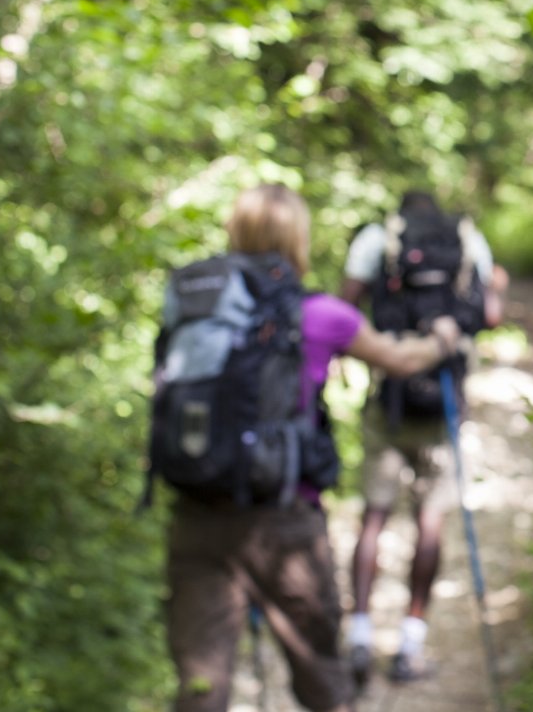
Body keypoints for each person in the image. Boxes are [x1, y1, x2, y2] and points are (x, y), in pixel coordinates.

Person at [164, 183, 460, 712]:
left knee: (202, 685)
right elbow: (403, 360)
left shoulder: (193, 306)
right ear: (298, 237)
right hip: (284, 521)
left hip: (197, 514)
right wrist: (443, 337)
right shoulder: (321, 315)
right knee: (324, 678)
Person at [340, 190, 507, 686]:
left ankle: (359, 636)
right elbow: (490, 316)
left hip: (387, 400)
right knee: (429, 522)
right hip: (447, 399)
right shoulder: (466, 236)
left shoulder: (376, 238)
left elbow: (345, 314)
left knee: (373, 517)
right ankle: (410, 645)